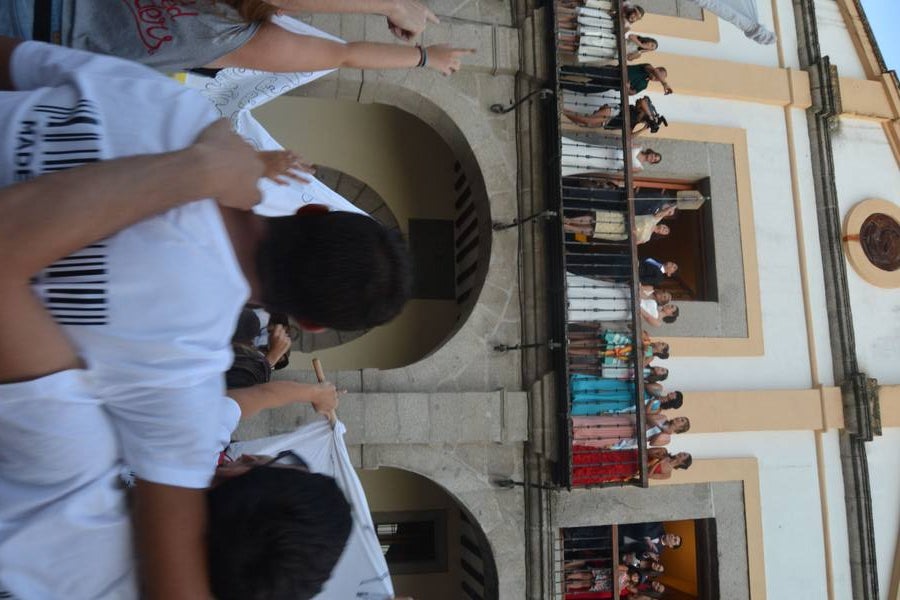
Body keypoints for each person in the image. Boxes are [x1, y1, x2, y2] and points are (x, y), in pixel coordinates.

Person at [0, 38, 410, 599]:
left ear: (312, 208)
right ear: (310, 322)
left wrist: (203, 163)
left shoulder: (181, 115)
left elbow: (17, 62)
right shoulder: (183, 373)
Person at [0, 0, 475, 76]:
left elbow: (344, 55)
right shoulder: (236, 37)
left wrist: (421, 58)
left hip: (29, 47)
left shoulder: (239, 36)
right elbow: (346, 55)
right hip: (31, 48)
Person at [562, 201, 674, 244]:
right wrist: (676, 204)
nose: (664, 229)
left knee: (592, 230)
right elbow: (664, 212)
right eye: (665, 228)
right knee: (594, 220)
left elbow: (634, 242)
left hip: (620, 233)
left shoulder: (647, 238)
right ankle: (569, 220)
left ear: (660, 234)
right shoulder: (655, 219)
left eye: (665, 232)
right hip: (622, 219)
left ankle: (568, 227)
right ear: (663, 224)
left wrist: (634, 233)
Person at [561, 63, 673, 96]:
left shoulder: (644, 84)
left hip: (613, 85)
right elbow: (654, 71)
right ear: (657, 69)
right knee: (587, 72)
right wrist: (664, 83)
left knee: (586, 89)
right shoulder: (648, 67)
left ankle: (562, 84)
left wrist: (628, 89)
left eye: (659, 79)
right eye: (660, 76)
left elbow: (632, 93)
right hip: (613, 73)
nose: (657, 78)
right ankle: (563, 70)